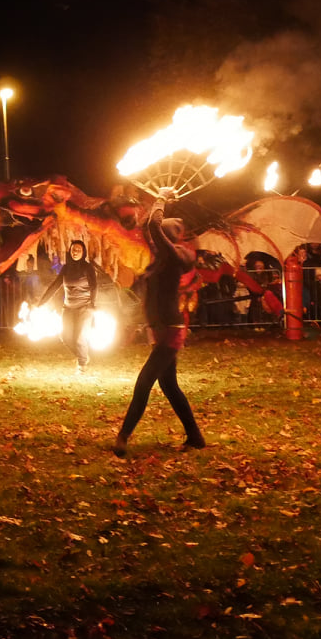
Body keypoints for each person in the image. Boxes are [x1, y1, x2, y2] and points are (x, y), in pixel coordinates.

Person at [114, 189, 204, 456]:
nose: (155, 240)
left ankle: (123, 437)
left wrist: (162, 198)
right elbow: (149, 227)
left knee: (144, 383)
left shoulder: (173, 257)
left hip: (169, 332)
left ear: (168, 237)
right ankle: (196, 437)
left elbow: (154, 224)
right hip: (163, 329)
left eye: (160, 236)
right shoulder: (163, 260)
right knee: (169, 385)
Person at [36, 239, 99, 372]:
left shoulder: (88, 267)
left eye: (78, 250)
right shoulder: (66, 268)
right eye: (73, 250)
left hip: (85, 307)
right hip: (68, 307)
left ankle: (82, 365)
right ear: (70, 252)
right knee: (65, 337)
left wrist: (92, 303)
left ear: (83, 252)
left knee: (80, 337)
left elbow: (94, 287)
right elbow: (55, 285)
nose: (75, 252)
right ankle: (83, 356)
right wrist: (42, 302)